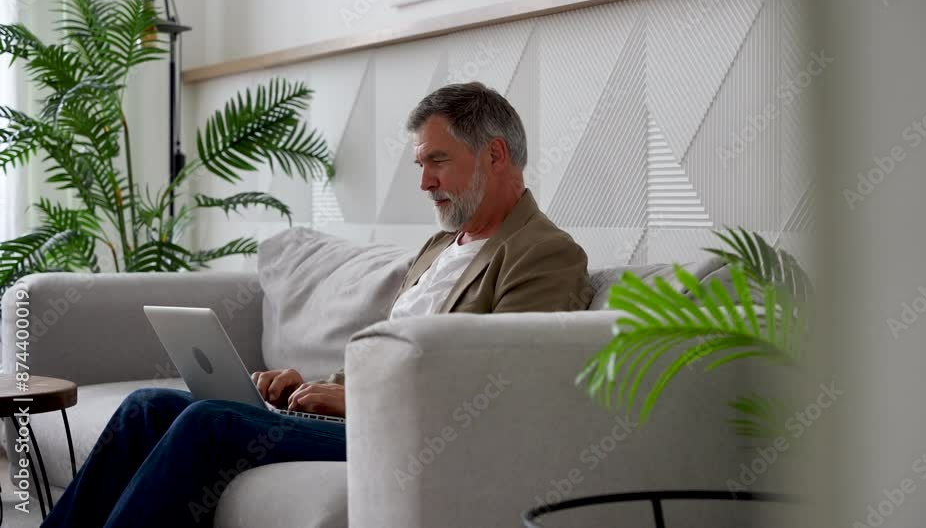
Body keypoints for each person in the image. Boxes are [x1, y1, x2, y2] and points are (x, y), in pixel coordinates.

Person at [41, 82, 592, 527]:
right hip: (363, 412)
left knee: (206, 424)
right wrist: (308, 385)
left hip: (410, 436)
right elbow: (389, 354)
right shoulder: (440, 246)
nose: (424, 182)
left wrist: (355, 402)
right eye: (420, 164)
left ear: (494, 155)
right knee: (147, 406)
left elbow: (510, 391)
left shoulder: (543, 253)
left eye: (438, 162)